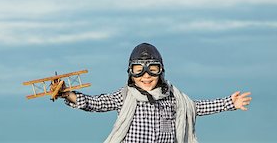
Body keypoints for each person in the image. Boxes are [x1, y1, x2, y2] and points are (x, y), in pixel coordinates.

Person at [59, 42, 252, 143]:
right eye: (138, 70)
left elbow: (196, 107)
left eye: (152, 68)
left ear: (161, 71)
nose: (145, 75)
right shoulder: (125, 96)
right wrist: (68, 94)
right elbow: (96, 104)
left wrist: (229, 103)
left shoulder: (173, 98)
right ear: (130, 73)